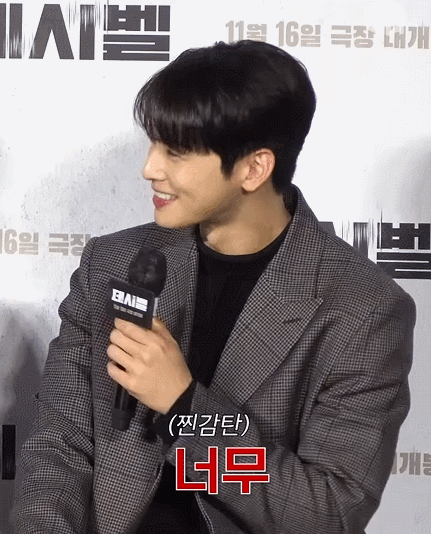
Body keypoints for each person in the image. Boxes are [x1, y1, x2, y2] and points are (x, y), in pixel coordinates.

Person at [11, 40, 415, 534]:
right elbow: (59, 446)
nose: (149, 168)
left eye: (176, 152)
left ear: (254, 168)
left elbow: (329, 511)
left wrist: (185, 407)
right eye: (153, 144)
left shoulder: (362, 309)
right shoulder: (112, 262)